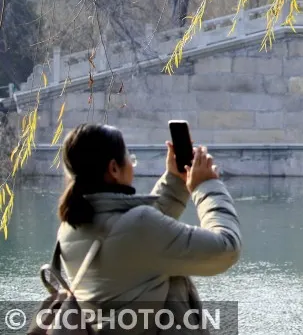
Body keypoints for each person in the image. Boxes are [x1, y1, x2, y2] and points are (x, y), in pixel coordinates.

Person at [53, 124, 241, 334]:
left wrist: (175, 181)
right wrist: (206, 187)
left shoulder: (71, 227)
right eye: (130, 157)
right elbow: (226, 248)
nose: (132, 164)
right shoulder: (138, 227)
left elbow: (139, 239)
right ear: (114, 168)